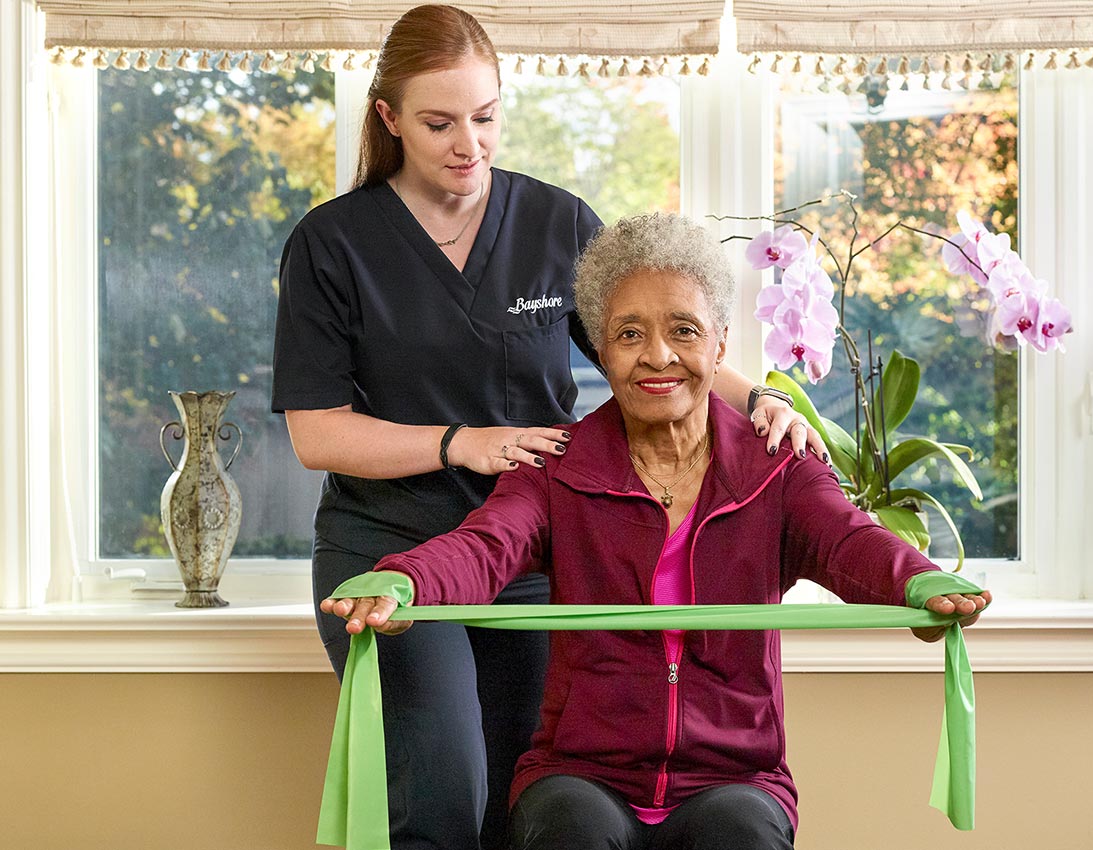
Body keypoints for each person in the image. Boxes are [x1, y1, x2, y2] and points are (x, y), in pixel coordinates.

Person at [271, 6, 822, 849]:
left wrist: (759, 403)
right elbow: (318, 433)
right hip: (392, 557)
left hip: (533, 557)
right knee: (443, 795)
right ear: (388, 118)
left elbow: (654, 340)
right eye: (439, 122)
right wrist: (460, 443)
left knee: (528, 804)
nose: (470, 143)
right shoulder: (332, 244)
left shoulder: (556, 223)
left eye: (486, 118)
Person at [322, 213, 991, 850]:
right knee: (567, 827)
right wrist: (404, 580)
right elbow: (485, 545)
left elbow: (850, 542)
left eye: (684, 330)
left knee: (741, 833)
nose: (658, 356)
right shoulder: (558, 469)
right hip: (581, 769)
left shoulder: (776, 470)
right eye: (630, 333)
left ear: (721, 343)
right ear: (601, 350)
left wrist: (922, 584)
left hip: (733, 774)